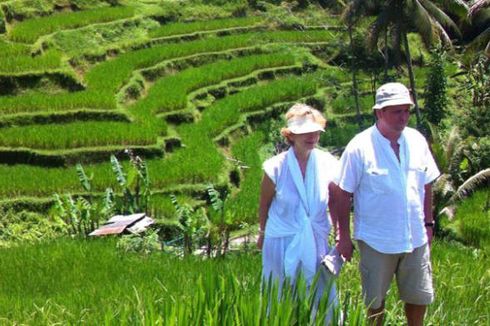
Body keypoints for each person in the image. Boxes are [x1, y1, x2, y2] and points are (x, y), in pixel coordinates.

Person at [334, 82, 440, 326]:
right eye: (397, 111)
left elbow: (426, 183)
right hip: (376, 240)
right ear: (379, 112)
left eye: (406, 111)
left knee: (418, 297)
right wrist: (344, 236)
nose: (403, 117)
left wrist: (428, 222)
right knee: (375, 301)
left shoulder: (416, 141)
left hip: (415, 237)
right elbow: (342, 193)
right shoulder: (359, 147)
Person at [257, 103, 340, 320]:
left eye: (315, 132)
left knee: (320, 298)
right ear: (291, 135)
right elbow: (264, 204)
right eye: (305, 133)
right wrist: (262, 234)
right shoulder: (275, 167)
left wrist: (340, 235)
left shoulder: (328, 163)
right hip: (281, 240)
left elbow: (336, 201)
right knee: (279, 298)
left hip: (316, 241)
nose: (311, 136)